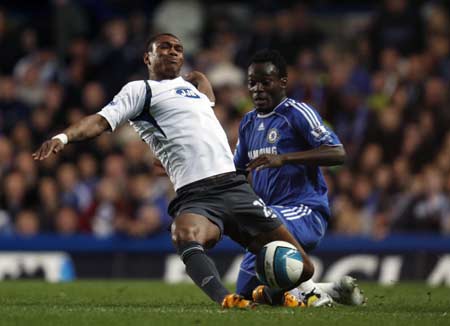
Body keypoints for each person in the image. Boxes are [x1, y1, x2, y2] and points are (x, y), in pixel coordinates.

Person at [32, 33, 316, 308]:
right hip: (197, 196)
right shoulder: (140, 90)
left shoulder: (193, 91)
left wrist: (199, 80)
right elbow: (99, 121)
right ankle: (227, 299)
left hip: (236, 187)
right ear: (147, 57)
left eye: (178, 48)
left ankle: (267, 294)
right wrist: (63, 137)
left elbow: (203, 103)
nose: (172, 51)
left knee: (303, 268)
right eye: (164, 47)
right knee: (183, 233)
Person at [234, 49, 365, 307]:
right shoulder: (248, 123)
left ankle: (310, 295)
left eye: (265, 82)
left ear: (283, 82)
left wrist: (285, 158)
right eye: (252, 83)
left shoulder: (297, 113)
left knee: (265, 218)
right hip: (268, 219)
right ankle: (332, 291)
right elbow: (235, 170)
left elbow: (337, 153)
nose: (257, 89)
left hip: (305, 210)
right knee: (249, 292)